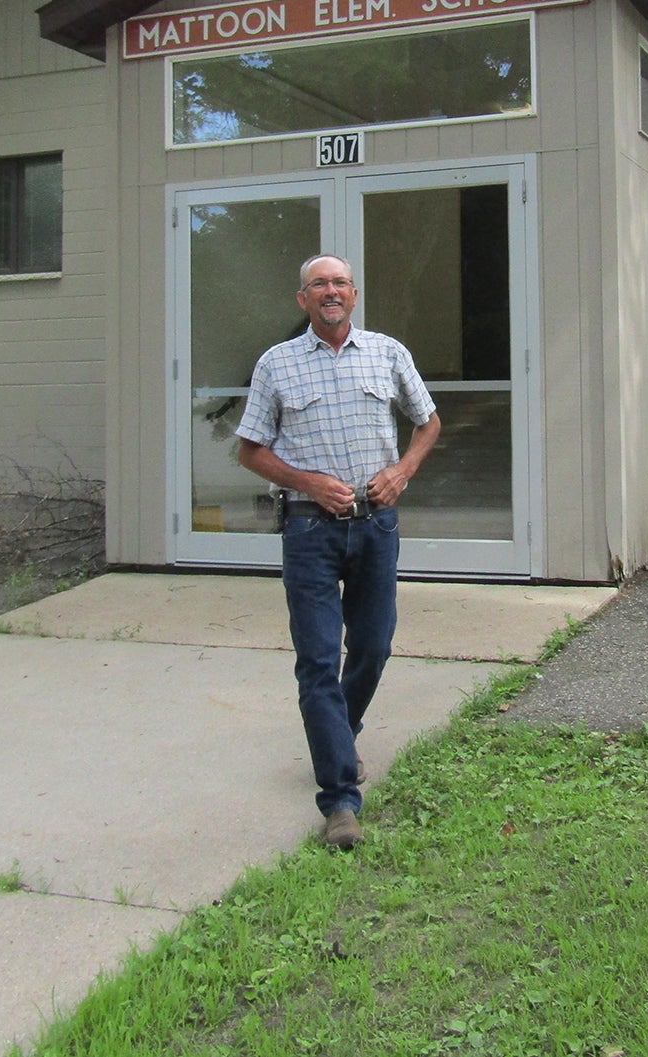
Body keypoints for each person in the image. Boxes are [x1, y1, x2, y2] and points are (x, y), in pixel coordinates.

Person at [235, 253, 440, 849]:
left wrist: (402, 471)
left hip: (376, 526)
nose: (330, 291)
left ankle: (336, 741)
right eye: (319, 284)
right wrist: (308, 482)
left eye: (340, 283)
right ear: (303, 299)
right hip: (310, 531)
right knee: (319, 660)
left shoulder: (387, 353)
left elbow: (428, 423)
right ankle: (341, 801)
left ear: (354, 294)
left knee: (373, 648)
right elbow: (250, 450)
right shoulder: (276, 364)